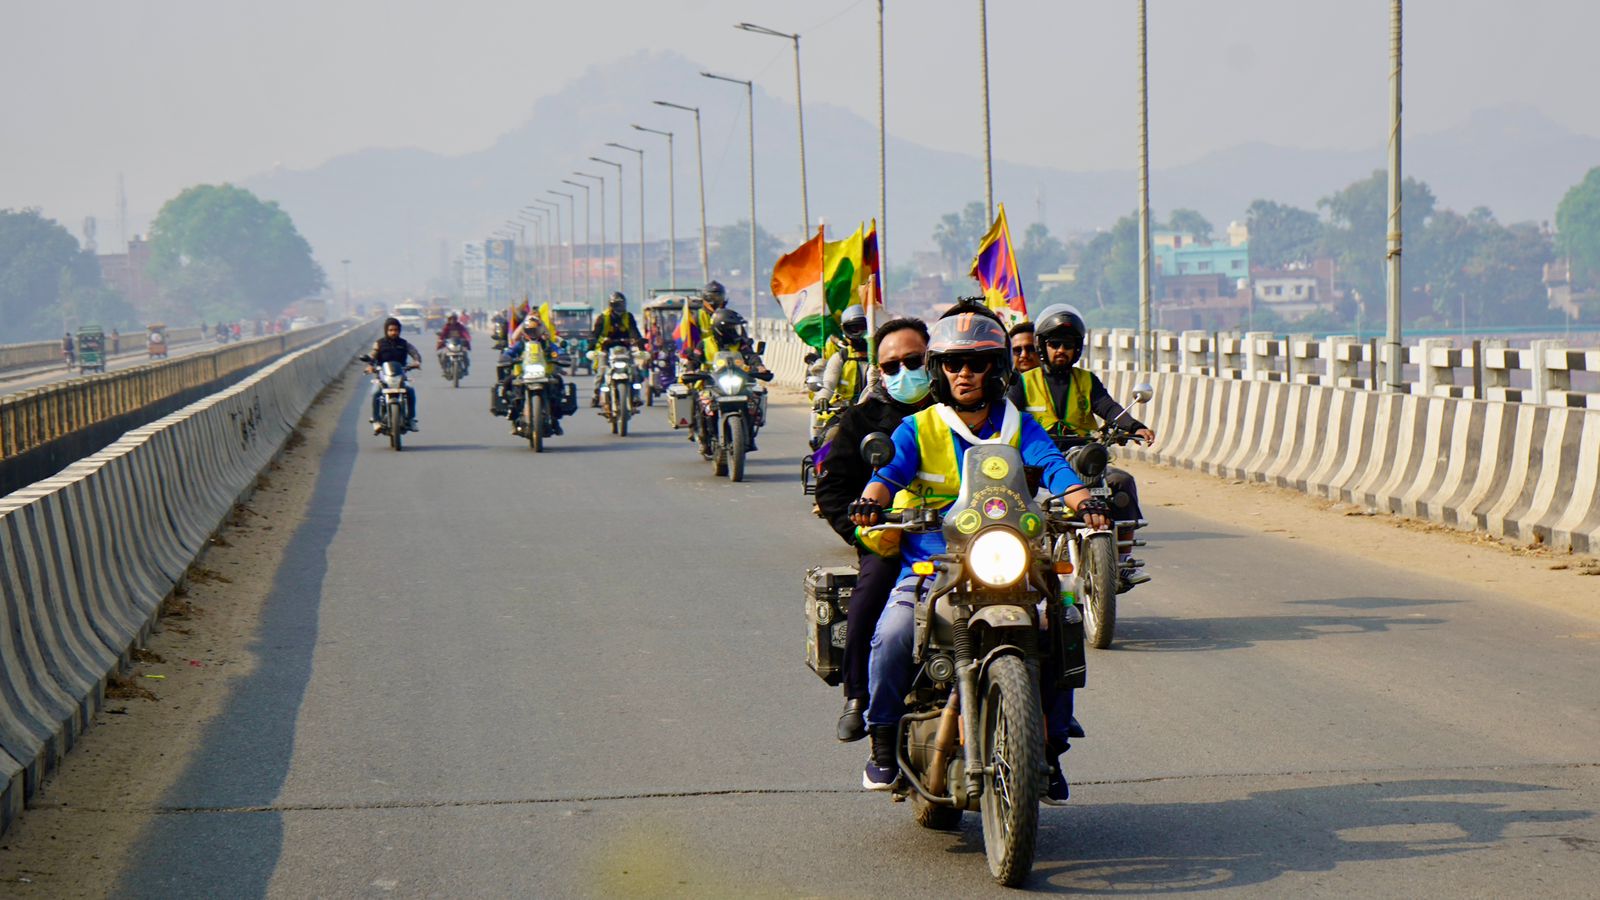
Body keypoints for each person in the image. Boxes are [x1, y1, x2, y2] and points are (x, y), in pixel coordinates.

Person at [848, 302, 1112, 802]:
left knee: (1062, 622)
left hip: (1010, 554)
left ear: (998, 367)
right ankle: (882, 741)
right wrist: (870, 500)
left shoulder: (1019, 425)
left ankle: (1051, 745)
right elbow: (887, 476)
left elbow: (1053, 465)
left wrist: (1085, 500)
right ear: (939, 370)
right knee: (895, 632)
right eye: (953, 363)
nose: (964, 374)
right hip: (934, 562)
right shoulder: (919, 427)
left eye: (977, 362)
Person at [814, 316, 935, 742]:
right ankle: (857, 697)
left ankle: (1048, 723)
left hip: (965, 538)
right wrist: (861, 530)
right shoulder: (859, 420)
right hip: (892, 541)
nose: (904, 372)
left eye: (913, 360)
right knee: (872, 589)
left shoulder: (962, 409)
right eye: (891, 366)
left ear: (932, 358)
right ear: (878, 371)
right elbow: (831, 489)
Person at [1007, 303, 1154, 586]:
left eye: (1069, 344)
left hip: (1084, 458)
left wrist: (1135, 427)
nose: (1061, 350)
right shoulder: (1022, 383)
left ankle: (1123, 561)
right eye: (1055, 343)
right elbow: (1007, 418)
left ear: (1078, 349)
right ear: (1042, 346)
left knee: (1122, 483)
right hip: (1039, 461)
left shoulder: (1087, 381)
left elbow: (1108, 408)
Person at [498, 316, 566, 435]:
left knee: (558, 383)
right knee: (508, 383)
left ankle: (555, 420)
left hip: (544, 373)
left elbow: (557, 350)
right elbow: (510, 352)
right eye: (530, 331)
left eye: (535, 331)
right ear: (525, 331)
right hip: (524, 374)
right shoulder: (521, 344)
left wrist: (561, 356)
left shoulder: (545, 343)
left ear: (540, 330)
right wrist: (507, 357)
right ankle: (512, 413)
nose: (532, 333)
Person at [365, 317, 422, 432]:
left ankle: (411, 419)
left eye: (396, 330)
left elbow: (414, 352)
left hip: (400, 376)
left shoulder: (404, 343)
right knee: (375, 392)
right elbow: (373, 355)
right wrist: (370, 366)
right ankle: (376, 420)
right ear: (386, 330)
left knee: (410, 391)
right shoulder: (379, 344)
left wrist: (416, 361)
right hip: (383, 377)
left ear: (399, 330)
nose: (393, 332)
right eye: (390, 330)